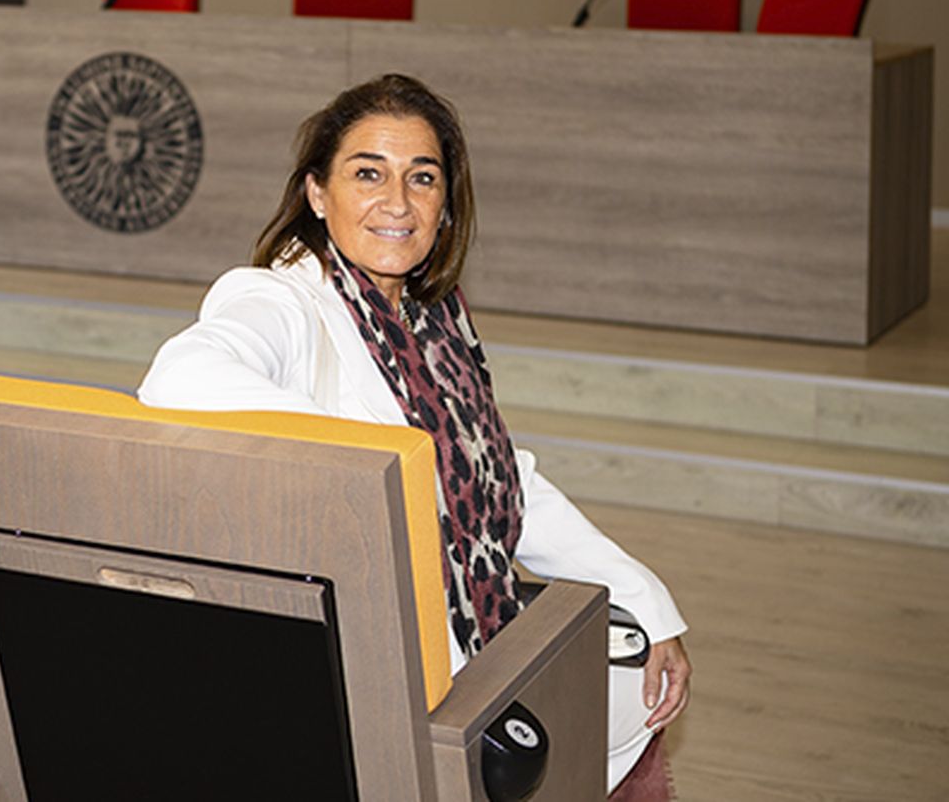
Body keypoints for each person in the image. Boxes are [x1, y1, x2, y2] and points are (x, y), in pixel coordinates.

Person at [137, 74, 690, 797]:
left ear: (446, 206)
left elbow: (500, 483)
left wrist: (645, 599)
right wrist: (392, 458)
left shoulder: (435, 320)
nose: (396, 202)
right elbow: (180, 377)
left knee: (625, 714)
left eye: (421, 179)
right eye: (368, 173)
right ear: (315, 193)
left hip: (467, 625)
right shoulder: (280, 297)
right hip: (363, 667)